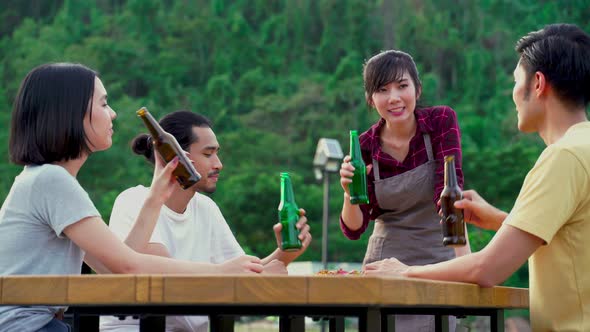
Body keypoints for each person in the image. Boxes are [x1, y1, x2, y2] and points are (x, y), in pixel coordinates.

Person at [0, 63, 263, 332]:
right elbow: (128, 266)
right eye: (103, 104)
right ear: (70, 112)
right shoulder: (51, 181)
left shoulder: (45, 180)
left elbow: (116, 269)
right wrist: (220, 272)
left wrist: (156, 198)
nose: (113, 114)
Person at [365, 23, 590, 332]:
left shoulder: (562, 157)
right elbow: (573, 236)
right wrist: (501, 219)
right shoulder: (584, 148)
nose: (512, 94)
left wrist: (403, 272)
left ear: (537, 83)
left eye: (515, 80)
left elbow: (487, 268)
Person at [100, 110, 312, 332]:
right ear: (176, 157)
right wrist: (228, 274)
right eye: (208, 154)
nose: (219, 164)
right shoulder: (134, 200)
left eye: (217, 154)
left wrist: (285, 253)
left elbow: (241, 273)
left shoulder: (206, 208)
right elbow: (161, 278)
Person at [338, 49, 470, 331]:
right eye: (382, 90)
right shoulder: (364, 147)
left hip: (438, 261)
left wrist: (468, 268)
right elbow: (353, 229)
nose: (394, 98)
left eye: (402, 86)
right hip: (384, 263)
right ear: (371, 99)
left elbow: (450, 196)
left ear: (417, 89)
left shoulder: (440, 122)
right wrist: (349, 192)